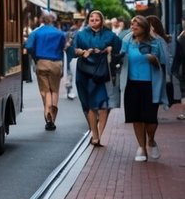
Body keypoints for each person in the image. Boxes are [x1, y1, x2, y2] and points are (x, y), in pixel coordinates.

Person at [119, 15, 168, 162]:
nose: (133, 27)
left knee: (150, 119)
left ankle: (151, 140)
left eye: (137, 25)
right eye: (132, 25)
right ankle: (141, 147)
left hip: (150, 84)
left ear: (144, 28)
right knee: (136, 117)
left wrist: (154, 60)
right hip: (132, 83)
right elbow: (121, 56)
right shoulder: (127, 40)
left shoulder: (156, 41)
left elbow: (164, 61)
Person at [71, 11, 122, 147]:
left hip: (100, 73)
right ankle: (94, 134)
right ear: (88, 21)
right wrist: (83, 52)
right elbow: (73, 51)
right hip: (84, 73)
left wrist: (109, 49)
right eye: (91, 19)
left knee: (103, 106)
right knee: (89, 106)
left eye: (97, 19)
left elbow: (119, 48)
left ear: (102, 20)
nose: (94, 21)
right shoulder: (80, 34)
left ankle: (100, 134)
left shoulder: (109, 34)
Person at [25, 11, 67, 130]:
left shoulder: (36, 33)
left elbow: (28, 47)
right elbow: (63, 47)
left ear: (42, 20)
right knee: (55, 90)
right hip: (56, 63)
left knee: (45, 91)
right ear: (53, 21)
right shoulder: (60, 34)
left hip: (41, 62)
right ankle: (53, 116)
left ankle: (47, 111)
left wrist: (35, 57)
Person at [147, 15, 177, 107]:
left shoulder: (158, 40)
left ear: (153, 27)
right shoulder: (158, 39)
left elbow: (166, 59)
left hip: (158, 71)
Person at [64, 21, 81, 100]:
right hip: (76, 58)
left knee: (69, 74)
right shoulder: (78, 34)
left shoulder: (66, 34)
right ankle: (73, 91)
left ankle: (69, 91)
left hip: (68, 58)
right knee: (74, 74)